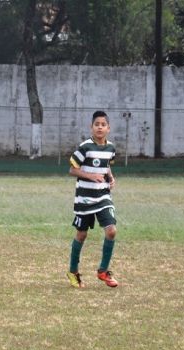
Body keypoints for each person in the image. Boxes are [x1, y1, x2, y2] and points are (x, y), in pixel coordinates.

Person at [66, 110, 119, 289]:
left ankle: (103, 271)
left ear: (108, 129)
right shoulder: (85, 147)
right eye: (97, 124)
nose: (100, 127)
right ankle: (73, 272)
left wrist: (111, 178)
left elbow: (106, 168)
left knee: (111, 231)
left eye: (103, 125)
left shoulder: (111, 149)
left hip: (103, 196)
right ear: (91, 127)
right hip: (84, 199)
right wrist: (89, 175)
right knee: (82, 235)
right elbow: (72, 169)